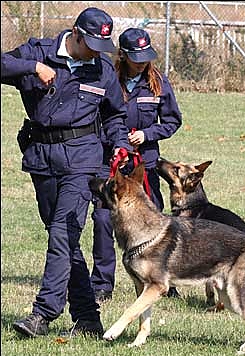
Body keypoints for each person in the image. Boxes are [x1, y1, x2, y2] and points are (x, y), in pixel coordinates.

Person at [1, 7, 131, 338]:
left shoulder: (102, 70)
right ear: (74, 33)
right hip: (43, 157)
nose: (96, 53)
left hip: (84, 159)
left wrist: (120, 144)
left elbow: (115, 115)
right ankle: (88, 318)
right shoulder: (38, 52)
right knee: (65, 240)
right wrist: (32, 67)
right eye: (90, 44)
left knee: (62, 231)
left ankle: (42, 314)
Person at [90, 27, 182, 301]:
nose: (142, 61)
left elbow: (172, 121)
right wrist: (115, 139)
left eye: (146, 55)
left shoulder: (158, 82)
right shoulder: (108, 79)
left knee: (156, 220)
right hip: (113, 161)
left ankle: (166, 278)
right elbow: (98, 117)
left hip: (145, 163)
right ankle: (102, 284)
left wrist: (147, 134)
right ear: (123, 54)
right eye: (136, 56)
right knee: (104, 219)